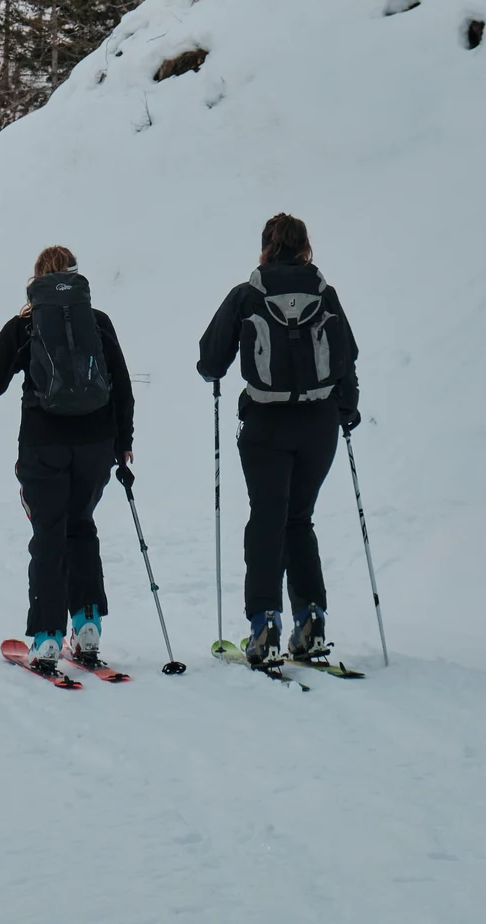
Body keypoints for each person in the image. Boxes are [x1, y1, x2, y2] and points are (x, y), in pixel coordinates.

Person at [196, 213, 360, 664]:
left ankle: (264, 626)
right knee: (299, 519)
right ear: (305, 245)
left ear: (266, 246)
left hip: (266, 424)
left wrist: (213, 374)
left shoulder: (248, 294)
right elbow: (347, 356)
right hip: (319, 423)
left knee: (267, 519)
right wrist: (346, 410)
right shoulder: (325, 294)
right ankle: (311, 621)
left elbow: (211, 357)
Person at [0, 246, 134, 675]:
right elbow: (122, 384)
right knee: (81, 526)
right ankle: (88, 624)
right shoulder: (97, 322)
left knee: (48, 535)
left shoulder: (25, 325)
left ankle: (46, 638)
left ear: (36, 280)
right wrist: (123, 444)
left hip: (44, 445)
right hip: (96, 445)